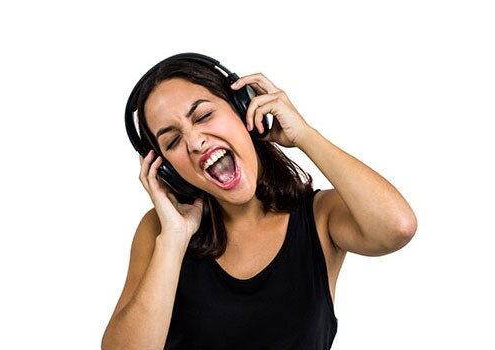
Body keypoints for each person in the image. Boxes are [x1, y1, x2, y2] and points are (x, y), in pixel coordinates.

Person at [101, 54, 417, 350]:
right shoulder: (160, 231)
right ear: (167, 168)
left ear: (243, 109)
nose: (195, 143)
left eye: (204, 115)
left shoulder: (320, 217)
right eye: (172, 142)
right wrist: (173, 240)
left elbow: (397, 227)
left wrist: (304, 135)